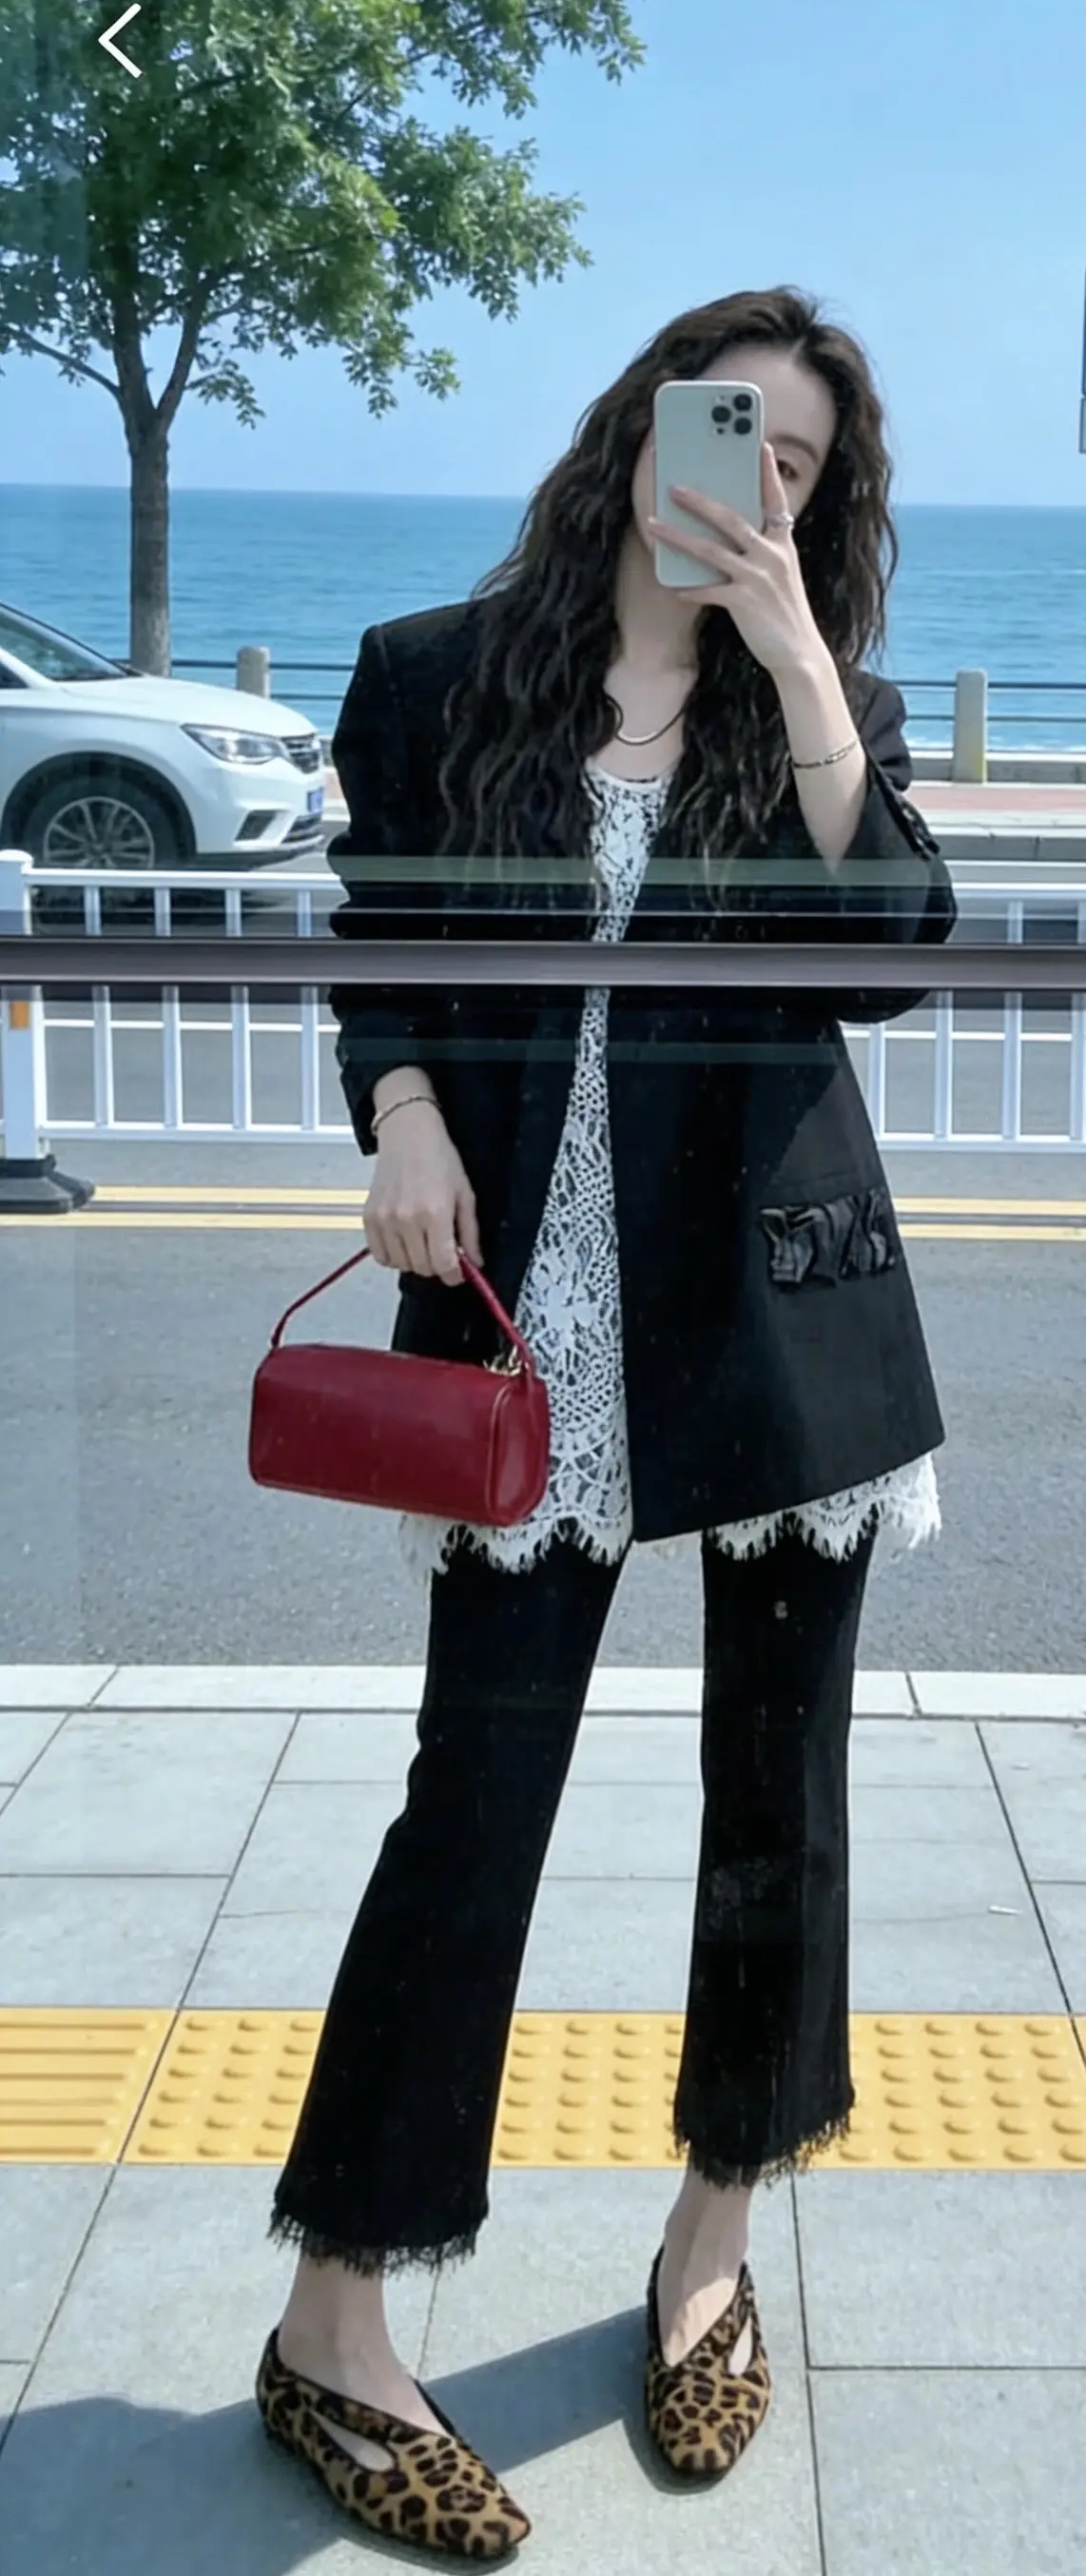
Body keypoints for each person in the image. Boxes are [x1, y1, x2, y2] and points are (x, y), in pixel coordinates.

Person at [254, 284, 957, 2555]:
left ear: (817, 506)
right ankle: (334, 2316)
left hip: (780, 1328)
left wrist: (804, 661)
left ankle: (708, 2243)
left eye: (798, 466)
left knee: (780, 1798)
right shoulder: (436, 673)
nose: (752, 480)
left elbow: (889, 950)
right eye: (726, 430)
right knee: (471, 1801)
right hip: (522, 1322)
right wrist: (397, 1109)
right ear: (638, 427)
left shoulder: (808, 708)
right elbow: (375, 934)